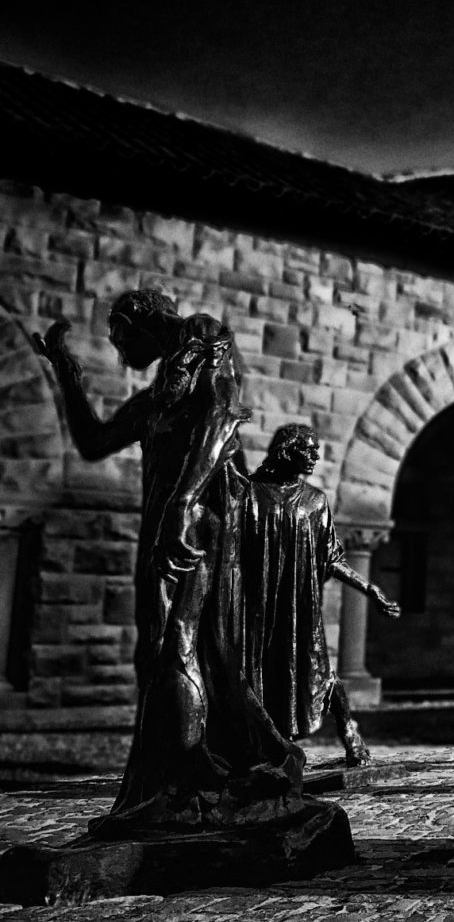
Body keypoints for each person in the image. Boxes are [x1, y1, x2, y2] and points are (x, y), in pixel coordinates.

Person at [31, 290, 302, 830]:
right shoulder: (154, 402)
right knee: (158, 646)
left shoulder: (202, 336)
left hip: (195, 520)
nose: (117, 348)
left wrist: (183, 501)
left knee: (174, 642)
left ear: (137, 321)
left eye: (118, 334)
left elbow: (223, 419)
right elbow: (94, 439)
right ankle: (199, 769)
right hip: (165, 524)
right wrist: (67, 373)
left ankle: (186, 779)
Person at [245, 424, 401, 767]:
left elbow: (332, 558)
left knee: (319, 671)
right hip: (258, 607)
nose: (316, 457)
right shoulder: (250, 495)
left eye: (317, 450)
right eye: (309, 450)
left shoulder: (315, 501)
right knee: (261, 675)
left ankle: (349, 731)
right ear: (288, 450)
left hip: (300, 606)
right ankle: (270, 746)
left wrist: (371, 589)